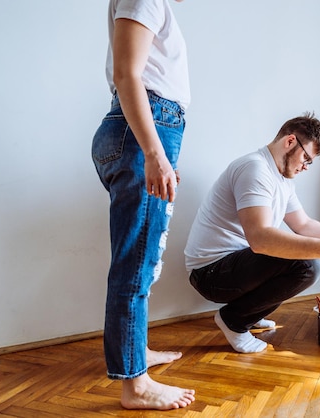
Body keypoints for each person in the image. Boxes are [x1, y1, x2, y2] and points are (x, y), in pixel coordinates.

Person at [184, 113, 320, 353]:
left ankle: (248, 312)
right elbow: (260, 239)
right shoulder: (255, 169)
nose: (305, 167)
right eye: (306, 158)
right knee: (308, 266)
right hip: (210, 274)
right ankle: (234, 321)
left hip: (233, 265)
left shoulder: (283, 179)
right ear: (290, 142)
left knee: (303, 259)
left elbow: (303, 224)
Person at [91, 0, 195, 410]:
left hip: (142, 133)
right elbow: (127, 73)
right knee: (136, 262)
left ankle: (137, 351)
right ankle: (135, 386)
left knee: (140, 257)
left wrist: (158, 154)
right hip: (142, 133)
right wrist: (155, 153)